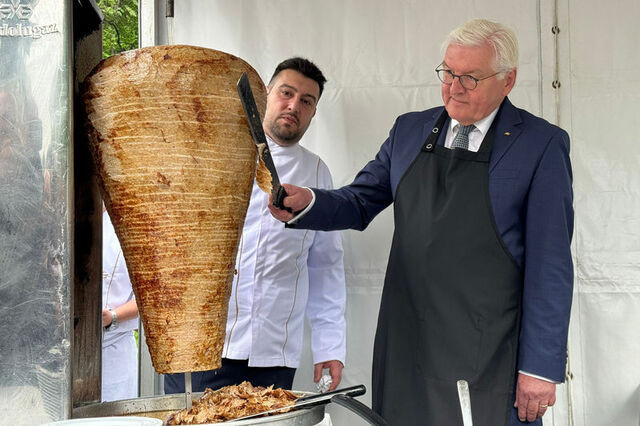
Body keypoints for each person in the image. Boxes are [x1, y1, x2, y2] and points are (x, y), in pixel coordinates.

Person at [269, 19, 574, 426]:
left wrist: (539, 368)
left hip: (488, 352)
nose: (454, 86)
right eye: (447, 72)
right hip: (407, 343)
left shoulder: (539, 144)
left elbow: (550, 264)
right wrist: (310, 202)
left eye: (469, 77)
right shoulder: (410, 130)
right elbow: (359, 201)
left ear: (508, 81)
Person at [164, 57, 346, 394]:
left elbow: (326, 269)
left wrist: (329, 347)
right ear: (265, 93)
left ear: (314, 111)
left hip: (273, 355)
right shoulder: (214, 153)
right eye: (286, 93)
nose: (294, 106)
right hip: (203, 347)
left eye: (307, 101)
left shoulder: (318, 174)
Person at [102, 207, 140, 401]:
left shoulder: (129, 225)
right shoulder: (65, 218)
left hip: (115, 348)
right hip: (67, 350)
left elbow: (147, 297)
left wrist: (113, 317)